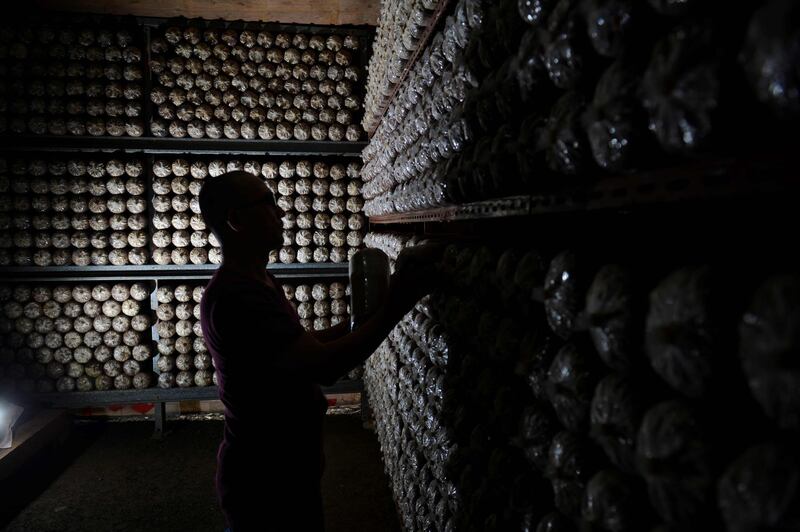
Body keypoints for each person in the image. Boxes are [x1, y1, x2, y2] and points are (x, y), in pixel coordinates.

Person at [198, 171, 438, 531]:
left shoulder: (258, 280)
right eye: (267, 204)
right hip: (265, 478)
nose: (280, 214)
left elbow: (301, 345)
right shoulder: (238, 297)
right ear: (236, 220)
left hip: (284, 465)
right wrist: (398, 304)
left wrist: (364, 317)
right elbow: (324, 365)